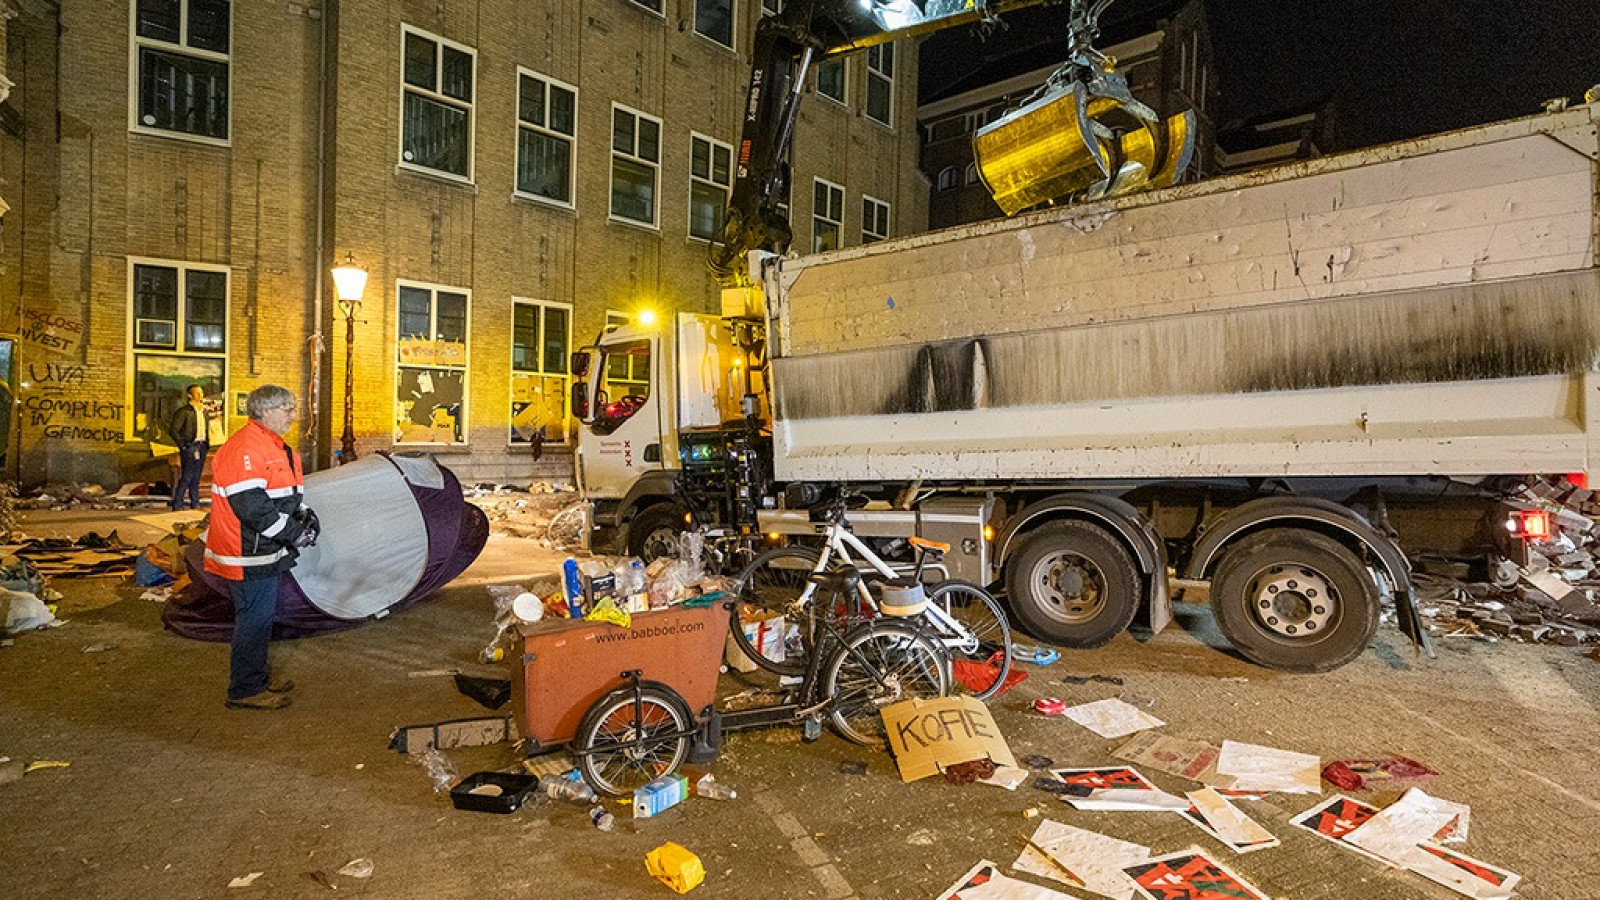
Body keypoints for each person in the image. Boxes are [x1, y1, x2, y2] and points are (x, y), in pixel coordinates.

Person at [204, 385, 320, 710]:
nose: (294, 416)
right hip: (246, 552)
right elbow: (253, 508)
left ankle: (255, 677)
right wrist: (293, 533)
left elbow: (284, 495)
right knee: (254, 619)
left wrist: (304, 515)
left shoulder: (272, 446)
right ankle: (245, 689)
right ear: (266, 411)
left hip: (260, 548)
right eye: (288, 409)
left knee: (260, 616)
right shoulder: (247, 448)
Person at [168, 385, 209, 510]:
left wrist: (207, 444)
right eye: (197, 393)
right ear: (190, 395)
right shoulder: (184, 412)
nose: (200, 396)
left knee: (196, 476)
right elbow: (174, 430)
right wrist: (183, 445)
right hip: (190, 446)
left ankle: (195, 502)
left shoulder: (204, 411)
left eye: (201, 393)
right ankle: (178, 503)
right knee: (187, 476)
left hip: (201, 446)